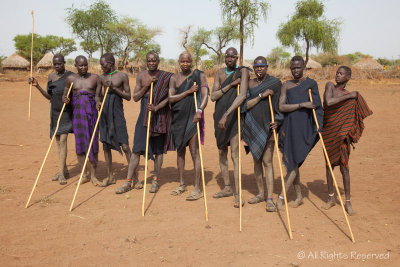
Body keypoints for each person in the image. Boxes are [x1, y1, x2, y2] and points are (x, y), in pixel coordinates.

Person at [115, 51, 174, 194]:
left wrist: (158, 107)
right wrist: (147, 85)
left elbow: (170, 97)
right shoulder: (141, 76)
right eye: (149, 60)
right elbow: (135, 97)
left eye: (154, 60)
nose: (152, 62)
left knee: (158, 151)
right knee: (136, 150)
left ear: (158, 61)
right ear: (146, 62)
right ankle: (128, 181)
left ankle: (156, 180)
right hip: (144, 117)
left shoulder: (167, 76)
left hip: (160, 117)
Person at [321, 66, 373, 215]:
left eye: (341, 74)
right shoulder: (330, 86)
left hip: (342, 136)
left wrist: (352, 97)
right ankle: (331, 198)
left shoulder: (350, 96)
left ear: (347, 77)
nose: (337, 75)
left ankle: (348, 202)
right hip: (329, 133)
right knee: (329, 166)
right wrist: (350, 96)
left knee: (344, 167)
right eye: (337, 73)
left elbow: (354, 116)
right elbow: (329, 102)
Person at [276, 56, 323, 210]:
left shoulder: (311, 84)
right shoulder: (286, 85)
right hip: (289, 127)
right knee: (293, 163)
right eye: (293, 68)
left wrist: (319, 127)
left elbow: (317, 106)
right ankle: (298, 196)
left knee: (293, 163)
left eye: (298, 67)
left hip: (304, 128)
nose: (295, 70)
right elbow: (282, 107)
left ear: (303, 67)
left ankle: (281, 198)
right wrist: (301, 104)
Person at [242, 56, 282, 212]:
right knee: (256, 161)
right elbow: (245, 105)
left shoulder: (275, 83)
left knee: (268, 162)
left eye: (262, 66)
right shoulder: (250, 84)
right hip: (252, 127)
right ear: (254, 68)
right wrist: (261, 96)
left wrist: (278, 121)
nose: (259, 69)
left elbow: (280, 105)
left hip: (268, 127)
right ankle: (260, 193)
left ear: (267, 67)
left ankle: (270, 198)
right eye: (256, 66)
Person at [210, 47, 249, 208]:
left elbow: (242, 95)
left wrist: (227, 114)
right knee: (222, 152)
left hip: (234, 117)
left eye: (233, 56)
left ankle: (238, 193)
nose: (230, 59)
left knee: (235, 154)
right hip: (219, 116)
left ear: (237, 58)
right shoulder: (219, 73)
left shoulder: (243, 72)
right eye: (227, 56)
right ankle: (227, 187)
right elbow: (213, 96)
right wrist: (231, 85)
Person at [168, 51, 209, 201]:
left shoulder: (199, 75)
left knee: (194, 151)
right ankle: (181, 184)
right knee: (180, 152)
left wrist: (200, 111)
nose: (185, 64)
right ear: (179, 62)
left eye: (188, 61)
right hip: (178, 118)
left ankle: (197, 188)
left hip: (193, 118)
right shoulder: (174, 78)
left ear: (192, 62)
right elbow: (171, 99)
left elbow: (205, 95)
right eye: (182, 61)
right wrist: (188, 92)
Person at [28, 54, 73, 185]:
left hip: (65, 112)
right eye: (55, 64)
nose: (57, 66)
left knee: (63, 140)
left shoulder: (70, 76)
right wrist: (37, 86)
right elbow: (49, 96)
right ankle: (63, 170)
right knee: (58, 142)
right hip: (54, 112)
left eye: (60, 63)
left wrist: (70, 100)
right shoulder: (51, 77)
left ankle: (61, 174)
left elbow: (75, 92)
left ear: (64, 63)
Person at [62, 55, 102, 186]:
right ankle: (84, 174)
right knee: (80, 145)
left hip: (92, 115)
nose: (83, 67)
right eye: (80, 65)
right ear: (75, 66)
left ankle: (94, 176)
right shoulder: (70, 79)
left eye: (85, 65)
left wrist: (98, 103)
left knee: (93, 144)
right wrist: (65, 99)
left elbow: (97, 96)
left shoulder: (95, 78)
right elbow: (65, 94)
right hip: (78, 116)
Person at [98, 53, 132, 186]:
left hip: (117, 114)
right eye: (101, 65)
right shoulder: (101, 78)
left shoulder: (122, 76)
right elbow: (97, 95)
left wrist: (114, 88)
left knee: (125, 145)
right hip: (105, 114)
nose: (101, 67)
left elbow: (128, 96)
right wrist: (97, 102)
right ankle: (110, 176)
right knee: (106, 145)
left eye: (103, 64)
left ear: (111, 63)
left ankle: (133, 177)